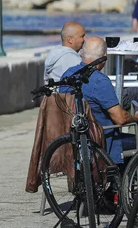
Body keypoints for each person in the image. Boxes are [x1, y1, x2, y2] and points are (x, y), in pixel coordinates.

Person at [59, 36, 137, 164]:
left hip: (74, 139)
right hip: (102, 140)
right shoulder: (100, 81)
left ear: (82, 53)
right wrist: (135, 118)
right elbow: (120, 119)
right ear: (104, 56)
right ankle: (121, 180)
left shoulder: (68, 75)